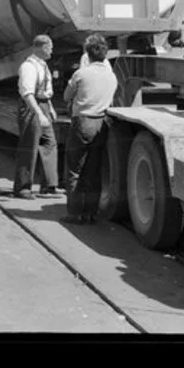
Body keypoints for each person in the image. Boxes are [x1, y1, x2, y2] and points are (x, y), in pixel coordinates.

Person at [62, 33, 118, 225]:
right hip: (102, 123)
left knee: (75, 169)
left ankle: (75, 213)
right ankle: (91, 213)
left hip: (82, 122)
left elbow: (66, 96)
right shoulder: (112, 76)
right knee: (93, 171)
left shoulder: (81, 74)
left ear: (87, 53)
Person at [13, 35, 61, 199]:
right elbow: (27, 94)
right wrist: (39, 114)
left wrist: (50, 108)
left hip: (43, 104)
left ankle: (49, 185)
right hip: (31, 107)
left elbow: (44, 89)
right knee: (30, 145)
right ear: (41, 47)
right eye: (50, 47)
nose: (52, 50)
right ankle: (23, 187)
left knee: (49, 143)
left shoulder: (43, 65)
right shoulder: (28, 67)